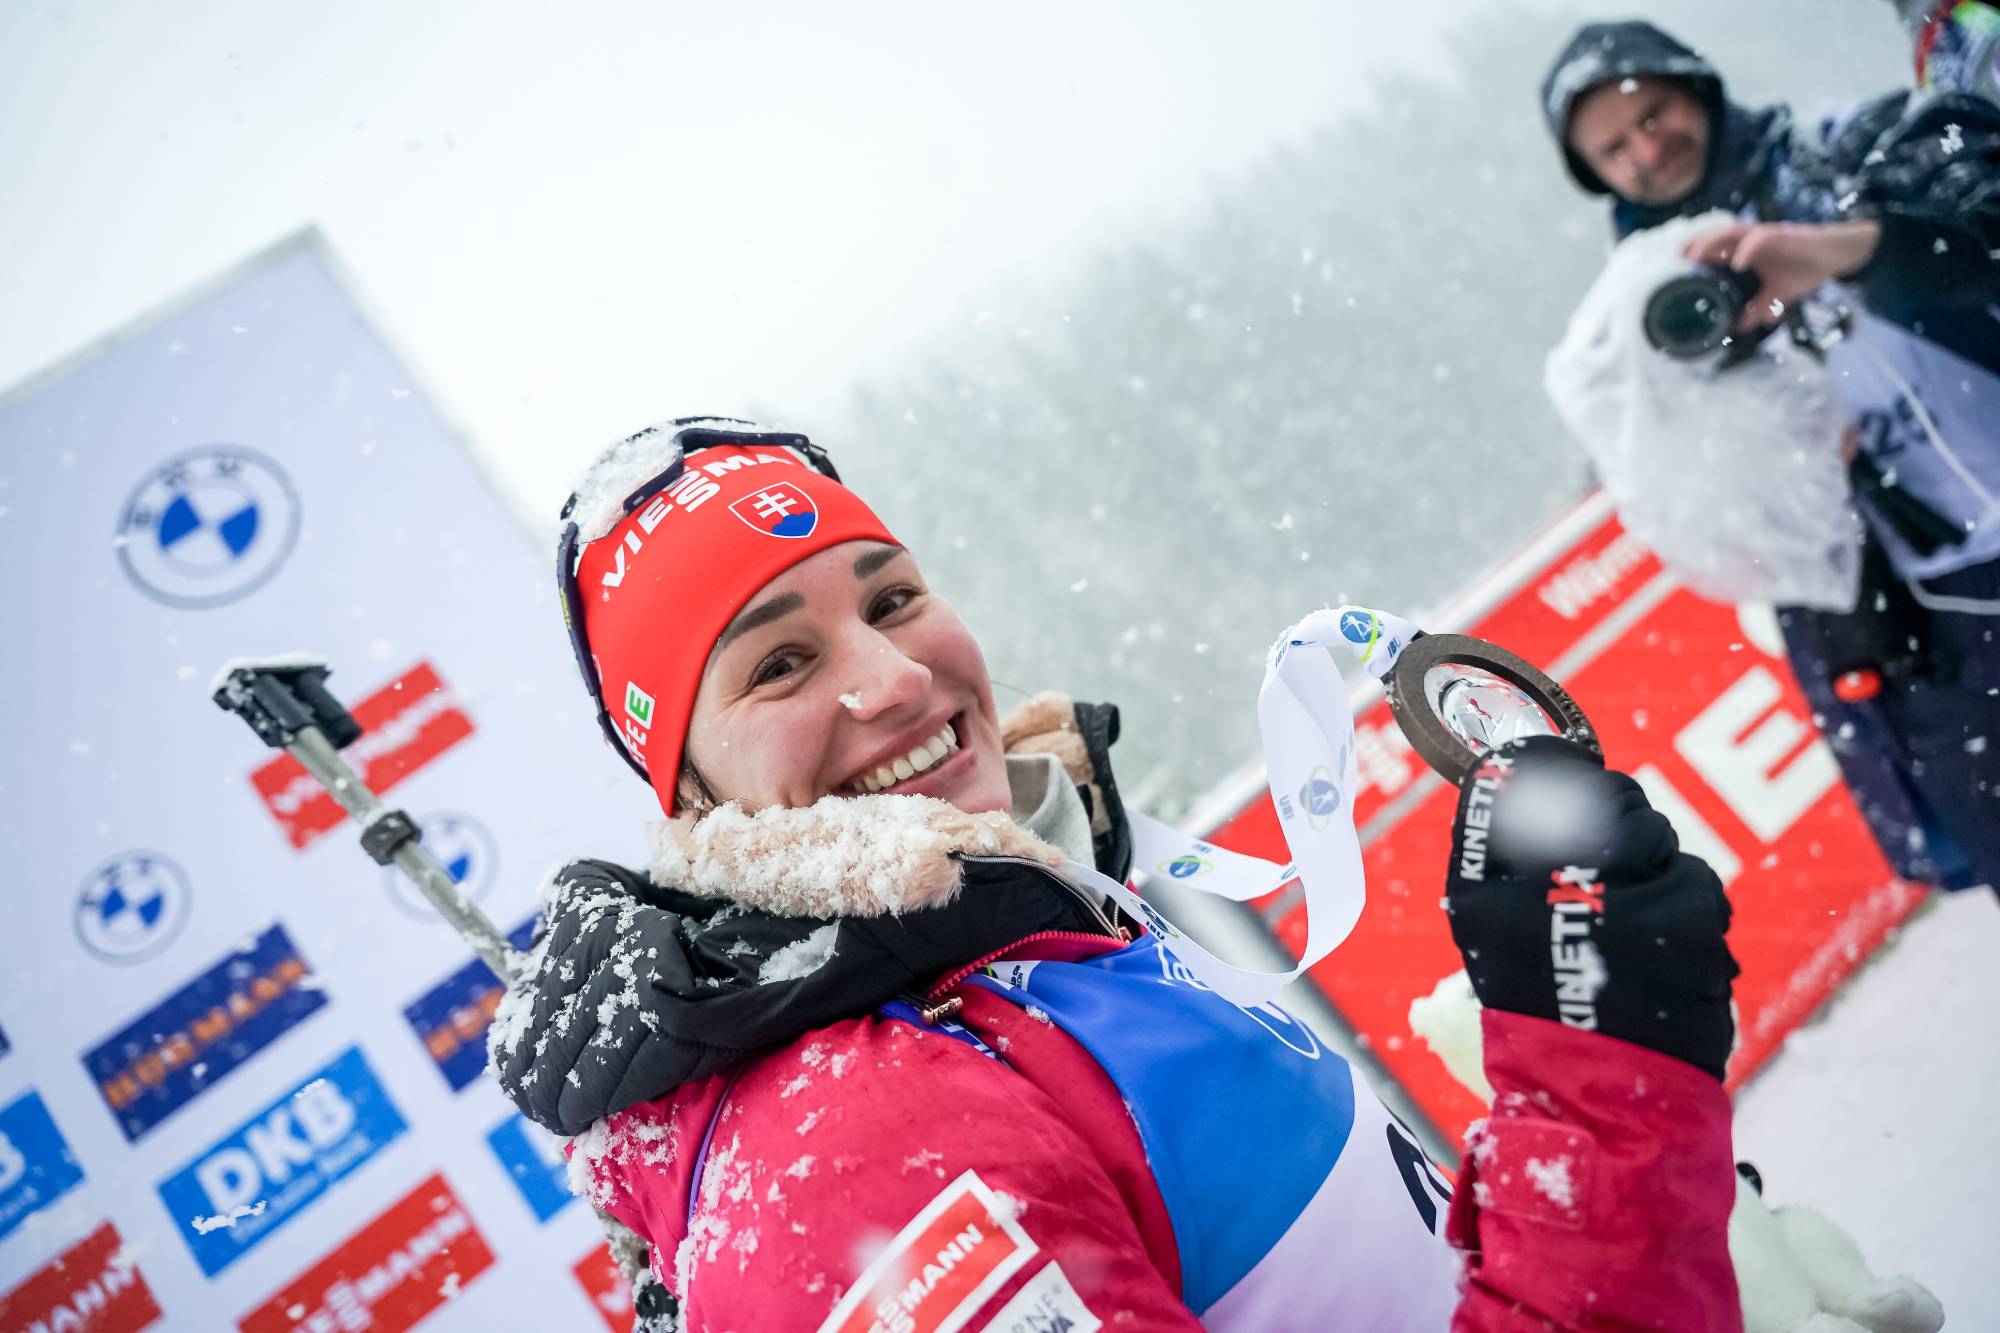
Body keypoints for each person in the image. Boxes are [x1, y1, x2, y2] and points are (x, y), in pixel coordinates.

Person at [491, 418, 1744, 1331]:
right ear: (689, 792)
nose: (894, 680)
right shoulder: (861, 1156)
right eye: (778, 665)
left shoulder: (1005, 911)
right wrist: (1604, 1088)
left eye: (893, 596)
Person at [1540, 20, 2000, 892]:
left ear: (1700, 89)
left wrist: (1847, 252)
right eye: (1612, 147)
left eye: (1655, 111)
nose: (1646, 148)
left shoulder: (1846, 148)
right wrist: (1769, 457)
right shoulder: (1644, 310)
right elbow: (1692, 507)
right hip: (1925, 625)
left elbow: (1982, 205)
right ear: (1595, 175)